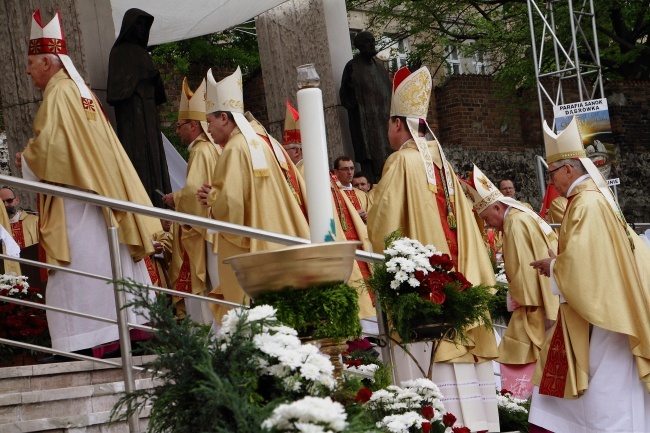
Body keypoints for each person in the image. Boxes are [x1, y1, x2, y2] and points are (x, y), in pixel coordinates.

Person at [21, 10, 160, 356]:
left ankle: (87, 340)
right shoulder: (80, 92)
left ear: (48, 62)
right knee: (105, 261)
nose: (27, 70)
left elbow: (51, 149)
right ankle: (119, 331)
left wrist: (26, 157)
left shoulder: (59, 94)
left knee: (78, 272)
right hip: (97, 195)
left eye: (31, 62)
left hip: (75, 201)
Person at [367, 66, 499, 432]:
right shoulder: (443, 161)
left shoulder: (401, 161)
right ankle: (478, 420)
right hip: (456, 273)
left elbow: (383, 225)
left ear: (398, 124)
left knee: (432, 363)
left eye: (388, 124)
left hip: (423, 291)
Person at [529, 117, 650, 433]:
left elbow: (585, 266)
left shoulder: (587, 203)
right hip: (609, 308)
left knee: (606, 393)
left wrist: (554, 267)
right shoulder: (595, 199)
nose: (551, 181)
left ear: (569, 170)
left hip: (605, 316)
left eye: (552, 173)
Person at [196, 67, 310, 323]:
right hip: (283, 239)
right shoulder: (266, 140)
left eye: (210, 121)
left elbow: (232, 208)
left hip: (253, 251)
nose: (209, 129)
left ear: (224, 117)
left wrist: (211, 199)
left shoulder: (235, 149)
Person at [462, 165, 559, 399]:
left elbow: (525, 269)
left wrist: (521, 300)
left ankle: (524, 400)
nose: (487, 225)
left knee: (519, 351)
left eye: (486, 218)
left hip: (534, 303)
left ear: (497, 207)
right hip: (546, 293)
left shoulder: (514, 224)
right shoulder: (520, 216)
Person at [161, 78, 221, 325]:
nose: (177, 131)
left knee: (208, 284)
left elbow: (195, 192)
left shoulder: (200, 150)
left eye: (180, 125)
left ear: (194, 126)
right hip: (216, 226)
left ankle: (206, 327)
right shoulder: (213, 148)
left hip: (207, 231)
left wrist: (174, 197)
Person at [107, 8, 171, 208]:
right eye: (140, 24)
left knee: (155, 157)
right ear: (131, 26)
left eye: (145, 25)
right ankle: (140, 199)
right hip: (132, 118)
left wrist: (155, 79)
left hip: (149, 115)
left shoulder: (144, 53)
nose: (142, 29)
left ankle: (159, 200)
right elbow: (115, 91)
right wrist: (139, 79)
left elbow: (160, 95)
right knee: (138, 158)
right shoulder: (119, 52)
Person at [340, 31, 393, 183]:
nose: (372, 45)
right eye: (367, 42)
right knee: (371, 171)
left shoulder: (380, 67)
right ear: (359, 46)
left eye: (373, 41)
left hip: (383, 125)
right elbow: (346, 99)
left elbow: (390, 94)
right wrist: (351, 90)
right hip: (366, 129)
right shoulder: (352, 66)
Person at [333, 156, 370, 222]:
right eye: (345, 169)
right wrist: (354, 215)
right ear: (336, 172)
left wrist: (367, 216)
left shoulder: (362, 194)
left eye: (352, 168)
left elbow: (372, 215)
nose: (350, 172)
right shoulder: (332, 194)